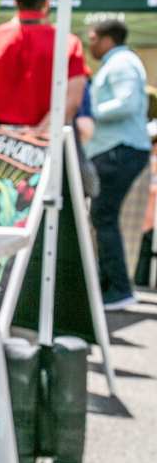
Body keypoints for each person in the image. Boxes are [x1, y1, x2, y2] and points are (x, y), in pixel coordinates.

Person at [84, 19, 150, 310]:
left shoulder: (122, 62)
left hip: (119, 150)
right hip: (116, 150)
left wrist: (85, 113)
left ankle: (118, 288)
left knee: (103, 216)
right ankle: (110, 284)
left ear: (108, 39)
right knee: (102, 216)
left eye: (93, 38)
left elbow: (126, 103)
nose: (90, 44)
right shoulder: (121, 61)